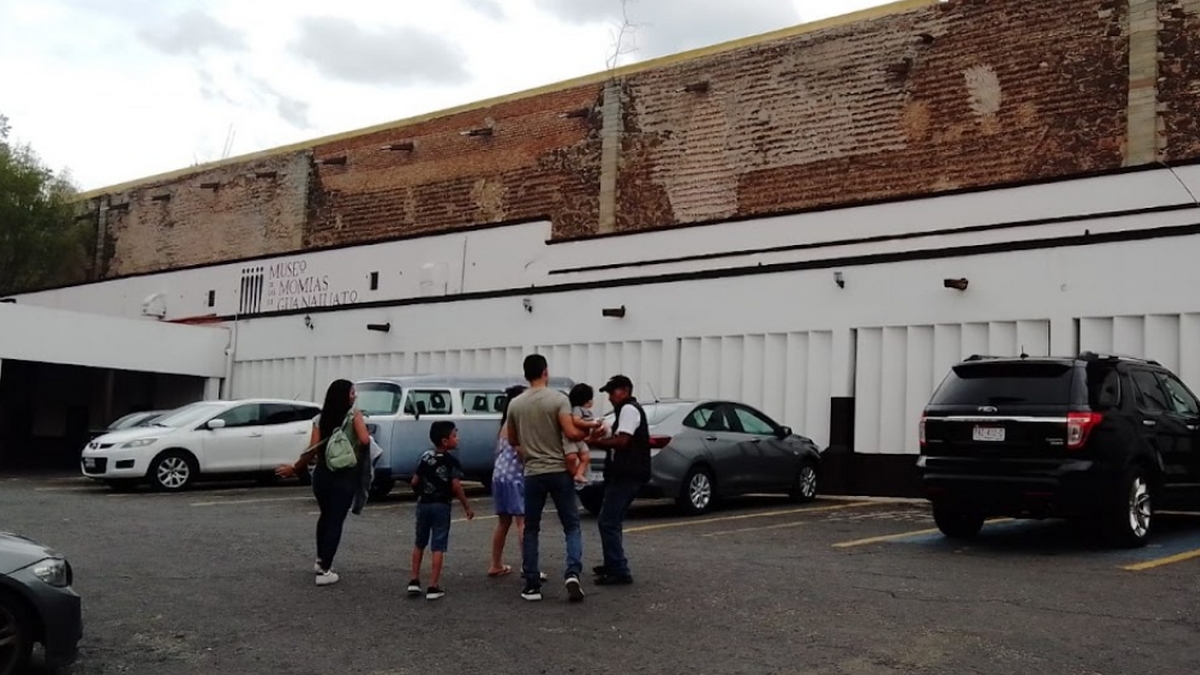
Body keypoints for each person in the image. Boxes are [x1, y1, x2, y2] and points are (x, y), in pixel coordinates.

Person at [505, 354, 599, 603]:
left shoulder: (515, 404)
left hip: (533, 472)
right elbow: (569, 431)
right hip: (558, 470)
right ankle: (572, 573)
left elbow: (513, 440)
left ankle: (532, 584)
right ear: (546, 372)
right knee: (571, 525)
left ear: (526, 374)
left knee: (532, 528)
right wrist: (590, 432)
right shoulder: (558, 399)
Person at [276, 379, 371, 587]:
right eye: (352, 392)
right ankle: (325, 571)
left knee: (325, 516)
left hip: (322, 475)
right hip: (344, 474)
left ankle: (320, 561)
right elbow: (365, 441)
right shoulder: (354, 415)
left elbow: (313, 449)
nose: (355, 395)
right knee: (336, 520)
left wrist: (295, 468)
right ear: (344, 396)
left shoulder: (320, 418)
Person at [587, 375, 651, 586]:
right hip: (624, 473)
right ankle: (613, 562)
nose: (610, 398)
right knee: (612, 520)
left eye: (612, 392)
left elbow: (623, 441)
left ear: (625, 390)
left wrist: (596, 442)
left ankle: (619, 570)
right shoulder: (624, 410)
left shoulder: (629, 410)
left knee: (608, 521)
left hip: (628, 474)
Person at [407, 421, 474, 600]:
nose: (457, 438)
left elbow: (414, 481)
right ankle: (433, 585)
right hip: (441, 505)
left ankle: (414, 580)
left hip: (423, 504)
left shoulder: (425, 457)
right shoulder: (451, 461)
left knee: (419, 542)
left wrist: (420, 492)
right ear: (445, 441)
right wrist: (466, 505)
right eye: (454, 435)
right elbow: (456, 486)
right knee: (438, 545)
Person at [488, 384, 527, 578]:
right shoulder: (519, 422)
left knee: (503, 522)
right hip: (515, 476)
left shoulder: (504, 424)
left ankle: (496, 564)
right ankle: (528, 566)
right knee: (523, 521)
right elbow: (521, 451)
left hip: (499, 475)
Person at [566, 383, 606, 486]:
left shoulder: (585, 411)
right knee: (573, 457)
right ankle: (576, 475)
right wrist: (592, 424)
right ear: (587, 401)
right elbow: (577, 421)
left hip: (582, 441)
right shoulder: (577, 410)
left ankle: (579, 475)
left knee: (586, 458)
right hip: (575, 442)